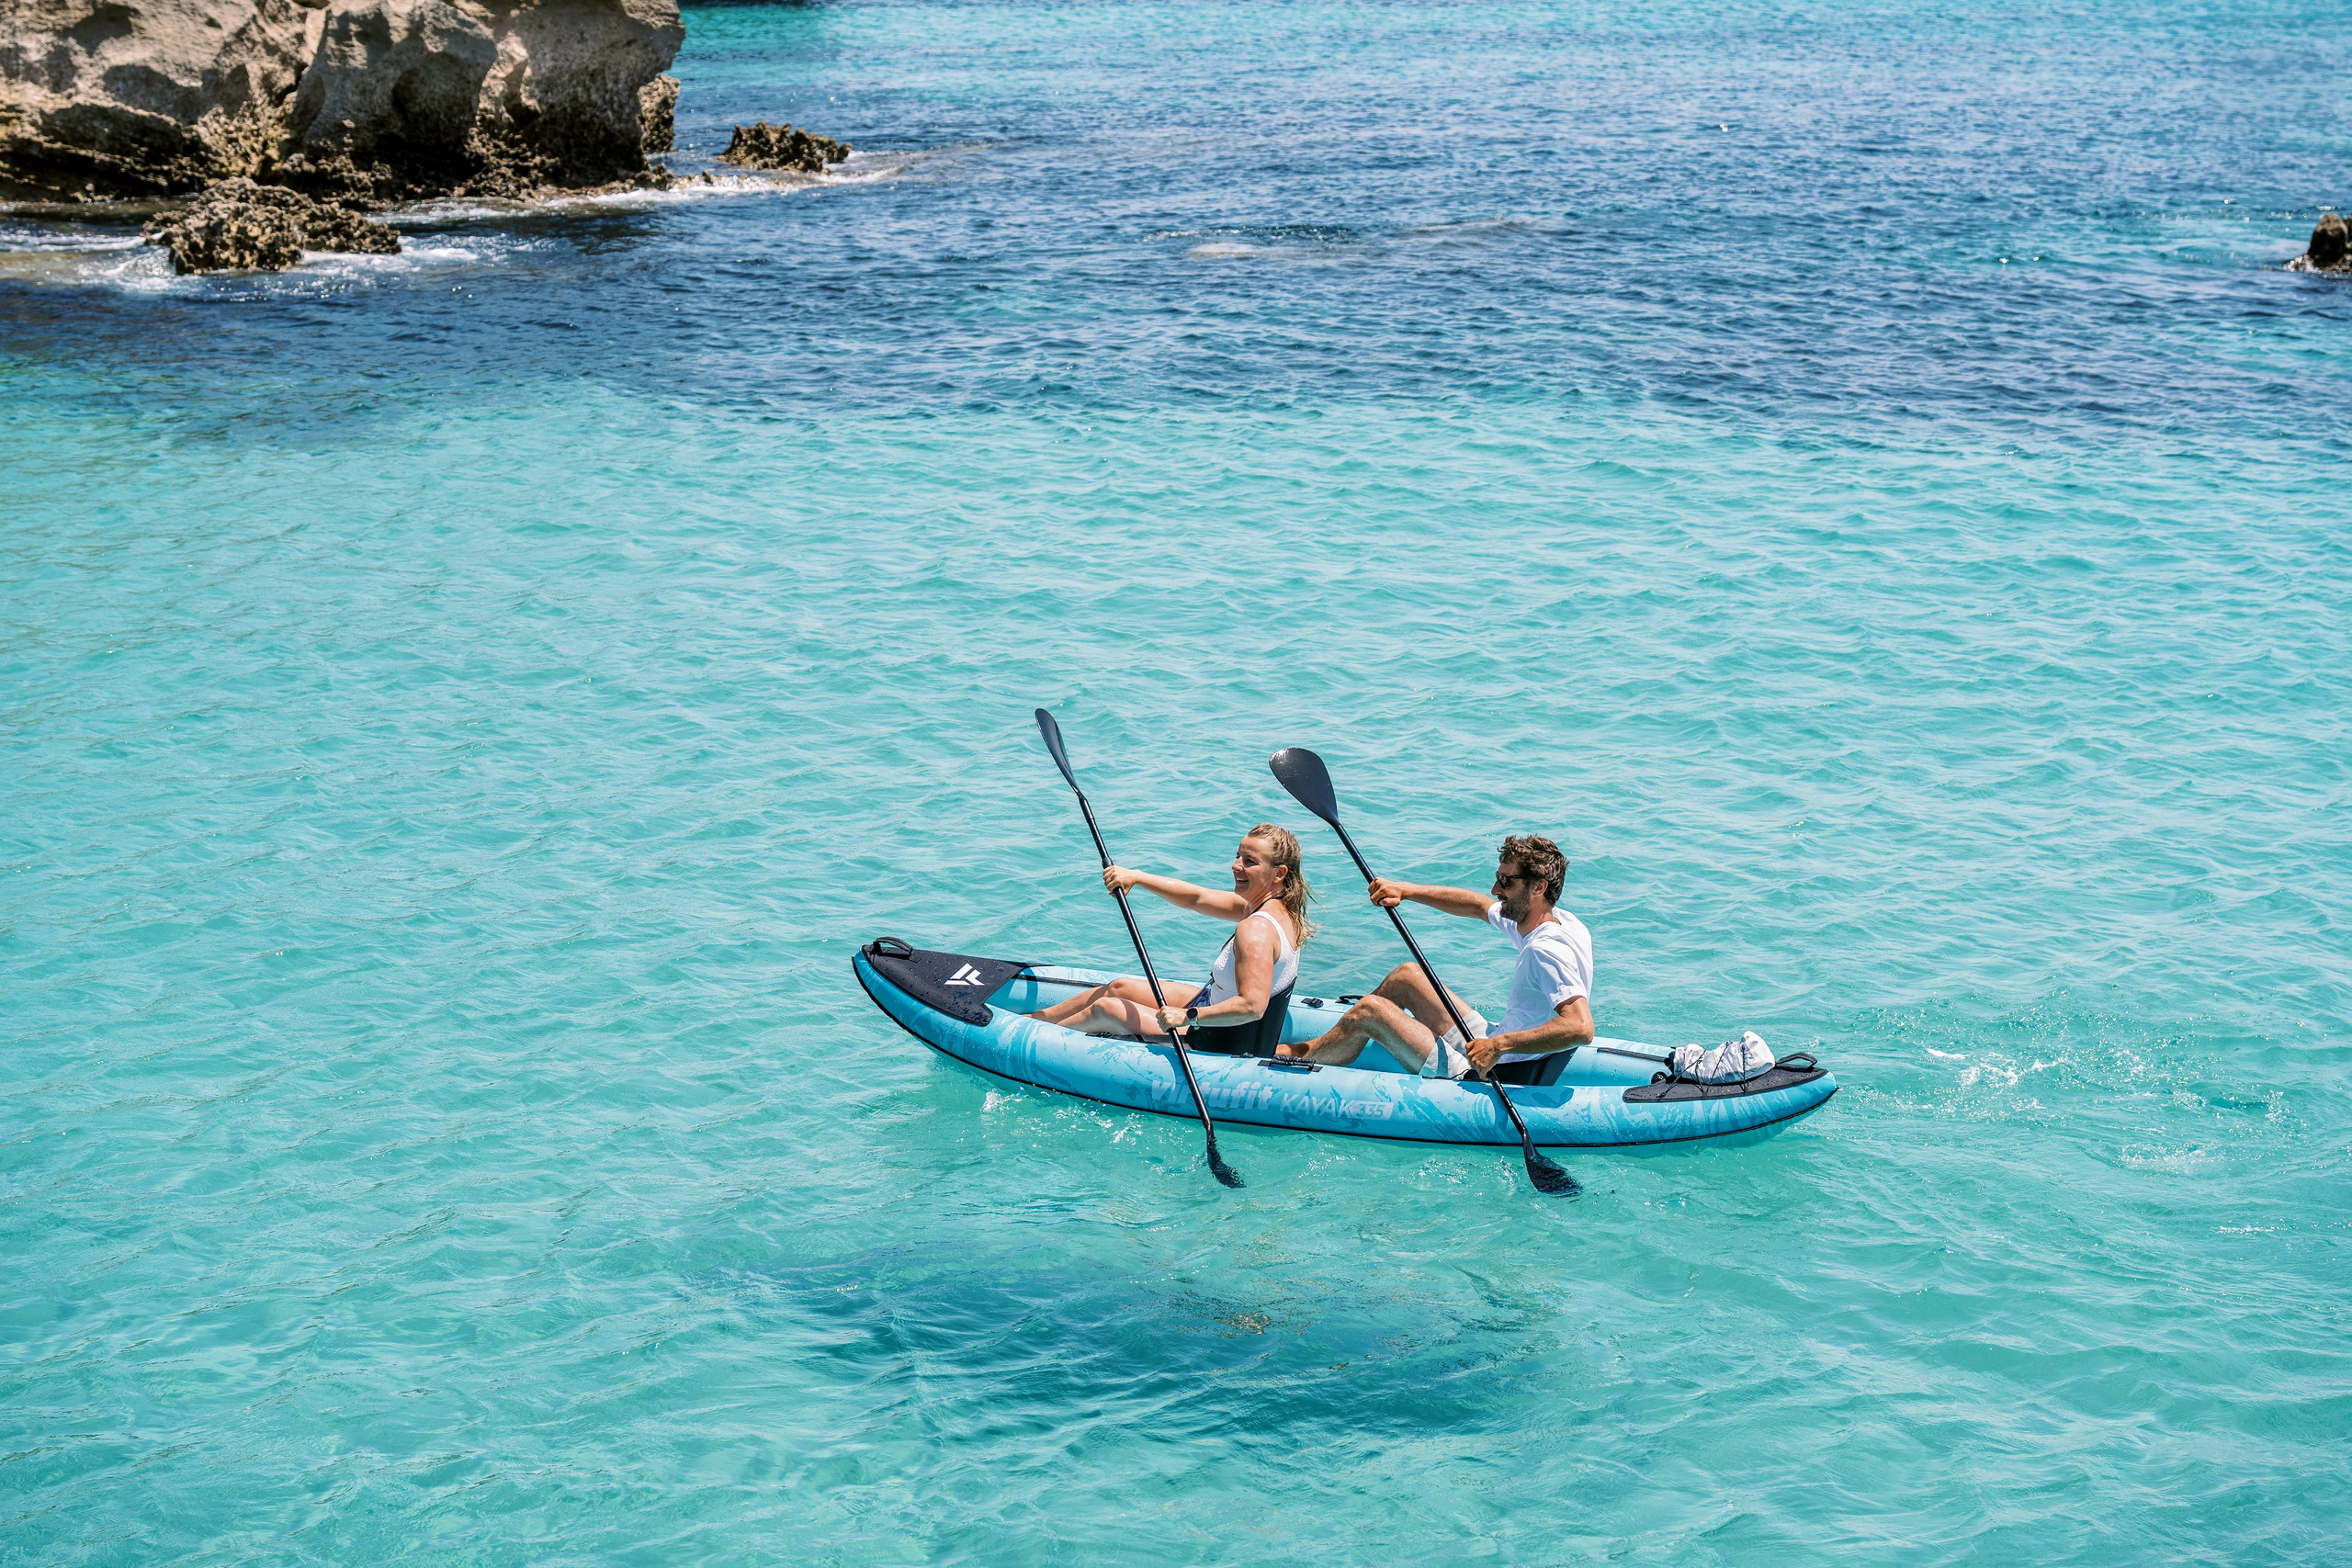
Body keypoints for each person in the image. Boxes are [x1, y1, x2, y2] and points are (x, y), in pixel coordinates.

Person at [1278, 834, 1591, 1082]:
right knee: (1407, 975)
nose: (1496, 889)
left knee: (1369, 1010)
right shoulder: (1559, 921)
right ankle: (1342, 1043)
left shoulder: (1544, 949)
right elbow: (1478, 906)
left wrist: (1499, 1046)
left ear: (1538, 887)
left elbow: (1580, 1026)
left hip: (1494, 1072)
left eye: (1507, 882)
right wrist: (1406, 891)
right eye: (1498, 877)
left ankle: (1303, 1058)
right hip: (1495, 1042)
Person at [1030, 824, 1314, 1049]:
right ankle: (1031, 1022)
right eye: (1238, 856)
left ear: (1279, 873)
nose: (1236, 865)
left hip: (1216, 1040)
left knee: (1106, 1009)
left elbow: (1252, 1007)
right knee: (1119, 987)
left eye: (1249, 861)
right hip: (1214, 1008)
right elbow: (1197, 898)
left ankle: (1028, 1042)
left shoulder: (1255, 930)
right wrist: (1137, 877)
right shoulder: (1276, 910)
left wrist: (1187, 1016)